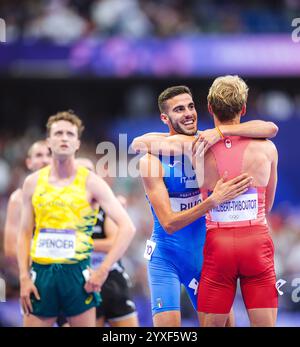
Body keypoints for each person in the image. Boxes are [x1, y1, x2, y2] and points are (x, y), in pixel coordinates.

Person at [131, 85, 278, 327]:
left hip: (204, 254)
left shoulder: (209, 142)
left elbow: (269, 129)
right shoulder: (152, 159)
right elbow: (168, 223)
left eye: (190, 106)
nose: (188, 113)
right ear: (164, 118)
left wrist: (220, 132)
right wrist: (212, 201)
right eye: (179, 109)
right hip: (166, 255)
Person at [17, 110, 136, 327]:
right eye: (59, 133)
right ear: (48, 142)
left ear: (78, 143)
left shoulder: (92, 182)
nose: (64, 138)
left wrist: (102, 271)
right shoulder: (32, 183)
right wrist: (24, 277)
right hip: (41, 274)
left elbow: (127, 228)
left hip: (78, 275)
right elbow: (24, 232)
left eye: (70, 134)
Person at [196, 75, 278, 327]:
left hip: (217, 246)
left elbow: (148, 142)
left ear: (209, 108)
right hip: (256, 241)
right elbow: (269, 205)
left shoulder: (197, 147)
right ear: (243, 109)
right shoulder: (266, 148)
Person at [75, 157, 139, 327]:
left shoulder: (107, 205)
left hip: (110, 276)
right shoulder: (65, 211)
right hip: (81, 278)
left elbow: (115, 243)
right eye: (81, 172)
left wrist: (81, 244)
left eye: (90, 172)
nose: (86, 176)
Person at [4, 141, 51, 270]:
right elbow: (10, 248)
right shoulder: (18, 199)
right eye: (39, 155)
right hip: (34, 271)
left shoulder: (68, 196)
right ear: (29, 162)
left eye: (49, 155)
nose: (45, 160)